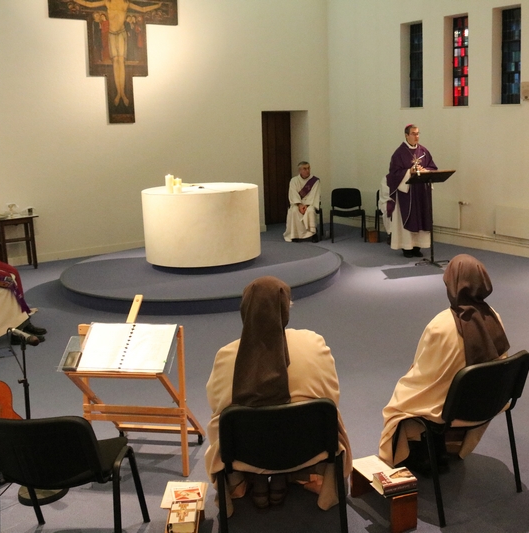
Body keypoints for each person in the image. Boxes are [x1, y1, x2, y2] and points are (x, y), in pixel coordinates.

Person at [204, 276, 351, 516]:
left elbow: (216, 407)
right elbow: (332, 397)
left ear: (245, 310)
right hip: (309, 446)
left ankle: (255, 479)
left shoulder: (227, 355)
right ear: (286, 309)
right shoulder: (313, 343)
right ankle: (288, 476)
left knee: (224, 421)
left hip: (246, 452)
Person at [379, 254, 510, 471]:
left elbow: (424, 375)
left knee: (400, 399)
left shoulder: (440, 326)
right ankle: (449, 445)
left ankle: (417, 451)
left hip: (451, 407)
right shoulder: (494, 317)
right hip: (489, 400)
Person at [69, 0, 163, 106]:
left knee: (121, 62)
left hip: (121, 34)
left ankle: (121, 93)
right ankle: (119, 93)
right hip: (112, 34)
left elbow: (142, 9)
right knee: (116, 62)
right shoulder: (107, 3)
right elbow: (90, 4)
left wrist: (157, 5)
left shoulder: (126, 4)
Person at [386, 124, 438, 258]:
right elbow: (393, 174)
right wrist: (410, 171)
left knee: (421, 217)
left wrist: (425, 171)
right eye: (414, 134)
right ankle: (407, 247)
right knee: (409, 217)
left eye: (418, 133)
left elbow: (432, 167)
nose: (417, 136)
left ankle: (417, 246)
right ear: (406, 135)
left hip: (421, 192)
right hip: (407, 193)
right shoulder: (399, 153)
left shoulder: (424, 151)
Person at [283, 161, 321, 242]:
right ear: (300, 170)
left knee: (310, 211)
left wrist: (306, 206)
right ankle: (295, 235)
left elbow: (314, 195)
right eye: (305, 168)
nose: (307, 170)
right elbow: (293, 194)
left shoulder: (315, 181)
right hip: (298, 203)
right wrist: (299, 205)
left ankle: (313, 233)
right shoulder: (294, 180)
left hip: (310, 203)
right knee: (294, 211)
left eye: (308, 168)